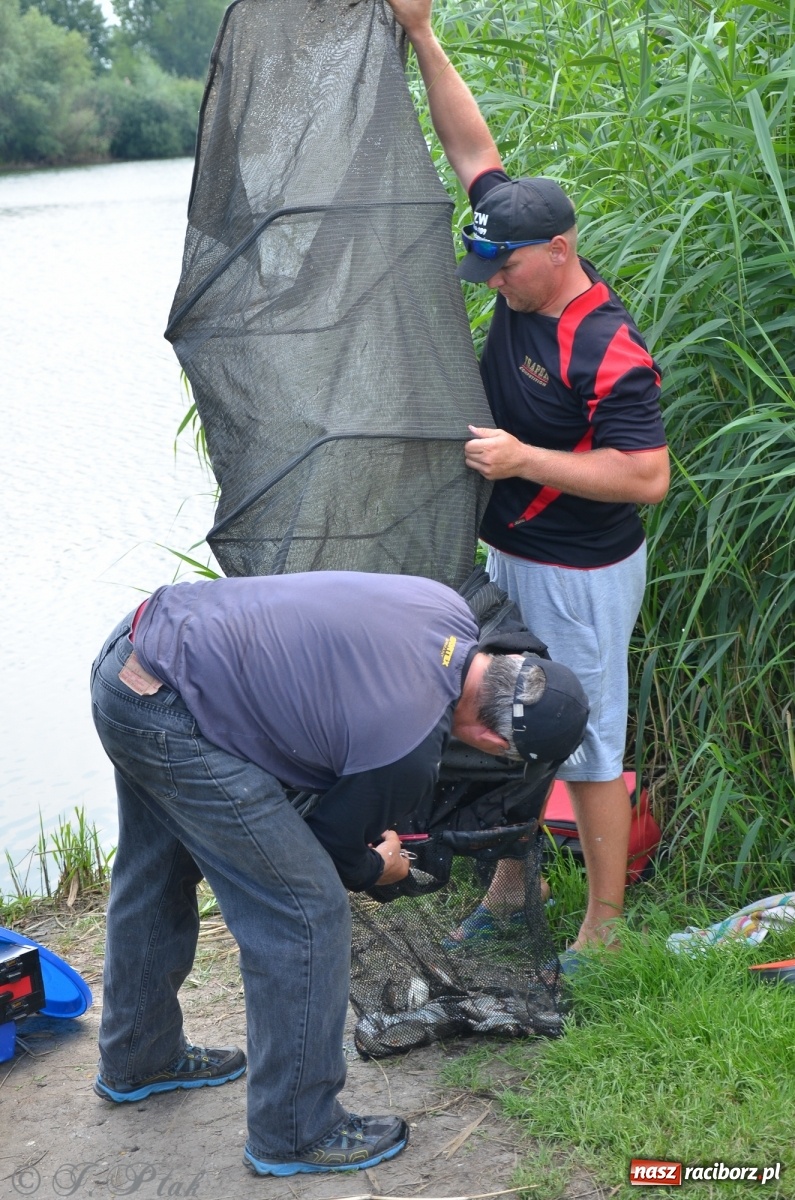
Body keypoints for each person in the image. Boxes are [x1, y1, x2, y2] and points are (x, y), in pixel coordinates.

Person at [90, 570, 588, 1178]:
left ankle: (138, 1056)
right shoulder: (407, 743)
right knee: (304, 913)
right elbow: (328, 848)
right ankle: (296, 1130)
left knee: (159, 870)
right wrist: (378, 867)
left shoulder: (448, 612)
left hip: (137, 656)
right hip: (176, 711)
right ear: (491, 738)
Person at [385, 0, 669, 956]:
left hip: (582, 572)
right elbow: (470, 146)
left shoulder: (608, 350)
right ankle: (510, 887)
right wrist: (422, 32)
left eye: (502, 270)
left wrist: (520, 460)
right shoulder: (515, 245)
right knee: (501, 710)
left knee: (587, 738)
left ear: (559, 250)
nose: (491, 283)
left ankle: (603, 927)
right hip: (505, 555)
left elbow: (644, 478)